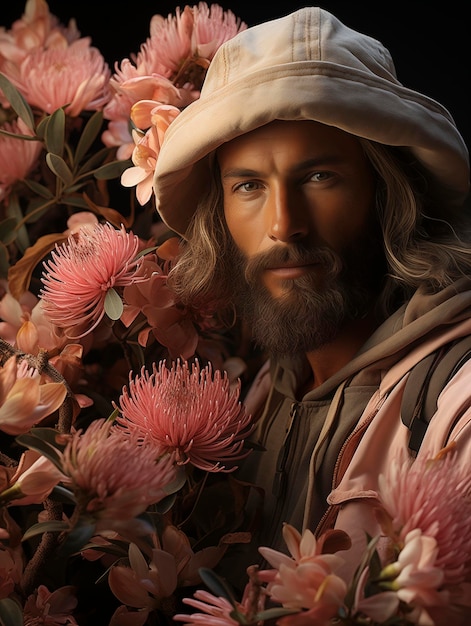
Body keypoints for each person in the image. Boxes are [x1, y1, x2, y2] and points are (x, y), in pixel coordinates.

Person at [152, 6, 471, 621]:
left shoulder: (454, 407)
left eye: (320, 176)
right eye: (248, 186)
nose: (283, 226)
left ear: (390, 195)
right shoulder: (263, 394)